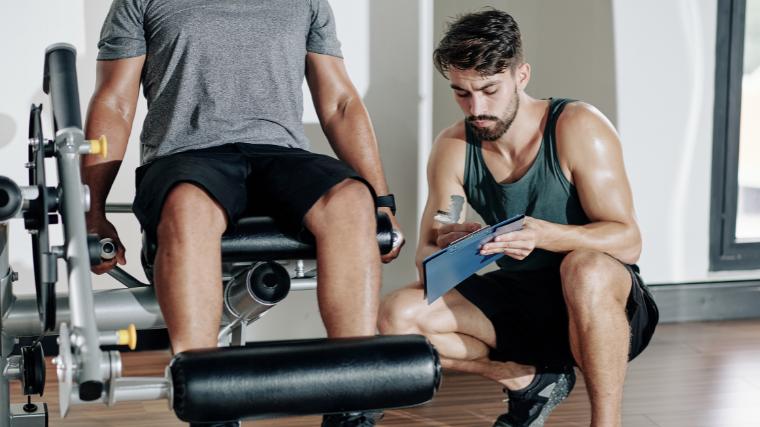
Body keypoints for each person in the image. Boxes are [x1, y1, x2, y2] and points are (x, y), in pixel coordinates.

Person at [82, 1, 402, 426]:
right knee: (187, 206)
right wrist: (92, 210)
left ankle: (353, 400)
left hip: (280, 154)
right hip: (187, 156)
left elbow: (340, 102)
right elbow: (115, 102)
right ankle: (209, 403)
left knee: (349, 200)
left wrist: (381, 202)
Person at [379, 9, 658, 427]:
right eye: (462, 93)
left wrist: (543, 234)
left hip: (605, 302)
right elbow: (426, 257)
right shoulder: (454, 148)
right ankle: (526, 379)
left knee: (584, 269)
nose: (477, 109)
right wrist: (450, 242)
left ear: (521, 76)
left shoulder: (578, 126)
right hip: (524, 302)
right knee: (396, 315)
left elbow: (628, 240)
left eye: (489, 90)